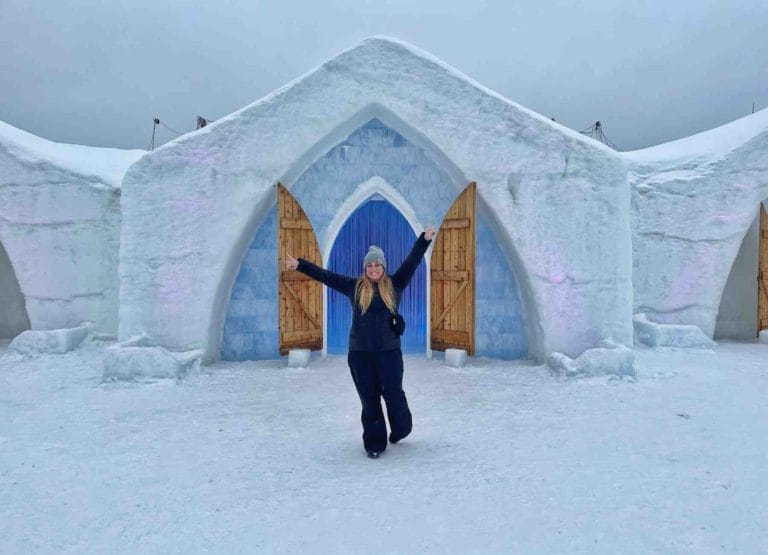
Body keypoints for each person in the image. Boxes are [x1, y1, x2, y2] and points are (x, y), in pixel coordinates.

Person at [286, 225, 436, 459]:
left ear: (383, 267)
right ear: (365, 268)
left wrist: (424, 239)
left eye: (377, 264)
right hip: (360, 355)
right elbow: (326, 276)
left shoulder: (395, 284)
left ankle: (401, 428)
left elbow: (413, 260)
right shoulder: (354, 287)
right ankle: (375, 443)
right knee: (370, 399)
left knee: (394, 394)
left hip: (389, 354)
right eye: (370, 265)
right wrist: (301, 265)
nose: (373, 268)